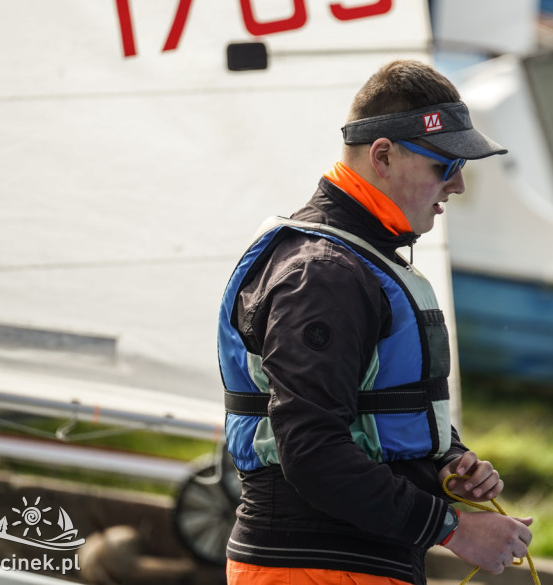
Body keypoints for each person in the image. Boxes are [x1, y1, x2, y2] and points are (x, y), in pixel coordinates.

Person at [217, 60, 533, 585]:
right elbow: (311, 450)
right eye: (445, 165)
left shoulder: (356, 261)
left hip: (345, 564)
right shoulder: (323, 274)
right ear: (383, 155)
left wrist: (445, 461)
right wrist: (453, 528)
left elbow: (370, 411)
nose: (457, 185)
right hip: (316, 568)